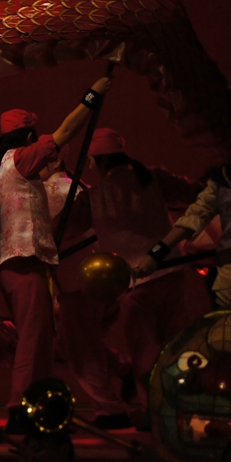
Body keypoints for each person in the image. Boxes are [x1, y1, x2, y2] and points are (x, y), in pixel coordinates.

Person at [0, 76, 111, 431]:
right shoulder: (23, 159)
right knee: (33, 338)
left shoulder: (1, 165)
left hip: (18, 262)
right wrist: (92, 96)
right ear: (29, 137)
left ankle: (38, 405)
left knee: (39, 337)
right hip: (24, 262)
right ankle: (20, 407)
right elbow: (66, 131)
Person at [77, 128, 206, 411]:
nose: (90, 167)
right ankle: (182, 405)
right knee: (175, 343)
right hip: (171, 271)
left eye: (91, 161)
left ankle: (155, 410)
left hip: (133, 281)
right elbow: (196, 193)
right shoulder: (153, 178)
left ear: (101, 161)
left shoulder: (94, 197)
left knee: (144, 348)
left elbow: (64, 227)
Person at [43, 153, 132, 429]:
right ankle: (122, 369)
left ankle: (110, 408)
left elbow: (48, 236)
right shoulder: (78, 187)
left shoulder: (56, 191)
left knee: (82, 349)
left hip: (77, 279)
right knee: (80, 343)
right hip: (90, 276)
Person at [134, 123, 231, 311]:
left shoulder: (222, 178)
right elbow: (193, 218)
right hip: (230, 275)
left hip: (230, 275)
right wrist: (155, 255)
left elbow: (193, 218)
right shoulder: (223, 178)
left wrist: (155, 255)